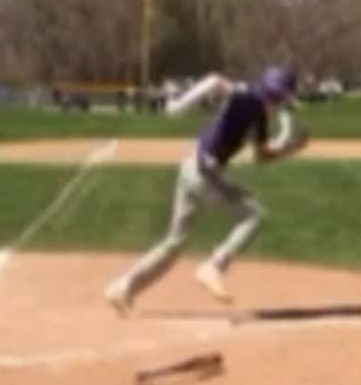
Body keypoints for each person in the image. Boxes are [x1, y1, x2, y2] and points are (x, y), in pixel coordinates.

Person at [104, 66, 305, 314]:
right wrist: (179, 105)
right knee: (252, 215)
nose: (279, 103)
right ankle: (214, 266)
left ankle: (123, 288)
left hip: (192, 168)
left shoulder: (259, 115)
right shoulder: (247, 97)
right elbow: (214, 81)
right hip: (205, 175)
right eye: (280, 98)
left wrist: (287, 145)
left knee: (174, 243)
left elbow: (262, 156)